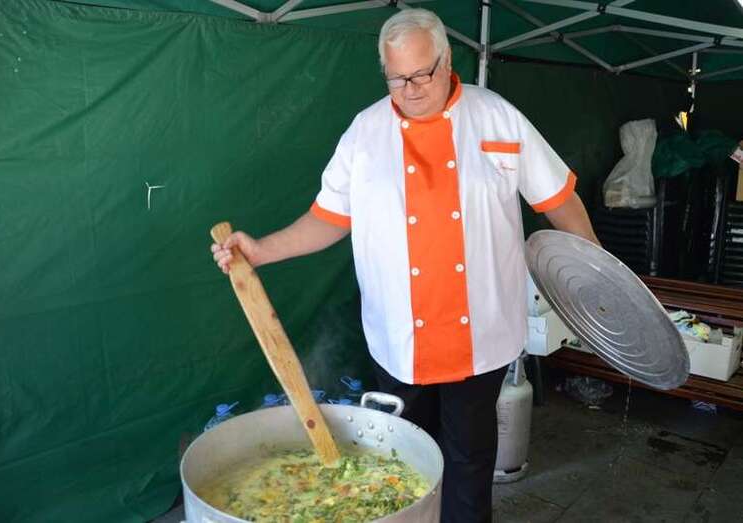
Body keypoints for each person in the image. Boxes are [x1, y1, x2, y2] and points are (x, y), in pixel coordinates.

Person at [212, 8, 599, 523]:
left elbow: (558, 198)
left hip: (481, 337)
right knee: (401, 467)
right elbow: (327, 218)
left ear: (447, 61)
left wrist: (597, 271)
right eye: (397, 78)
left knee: (468, 462)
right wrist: (261, 249)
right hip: (400, 340)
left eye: (422, 74)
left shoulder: (498, 117)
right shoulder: (365, 131)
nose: (410, 89)